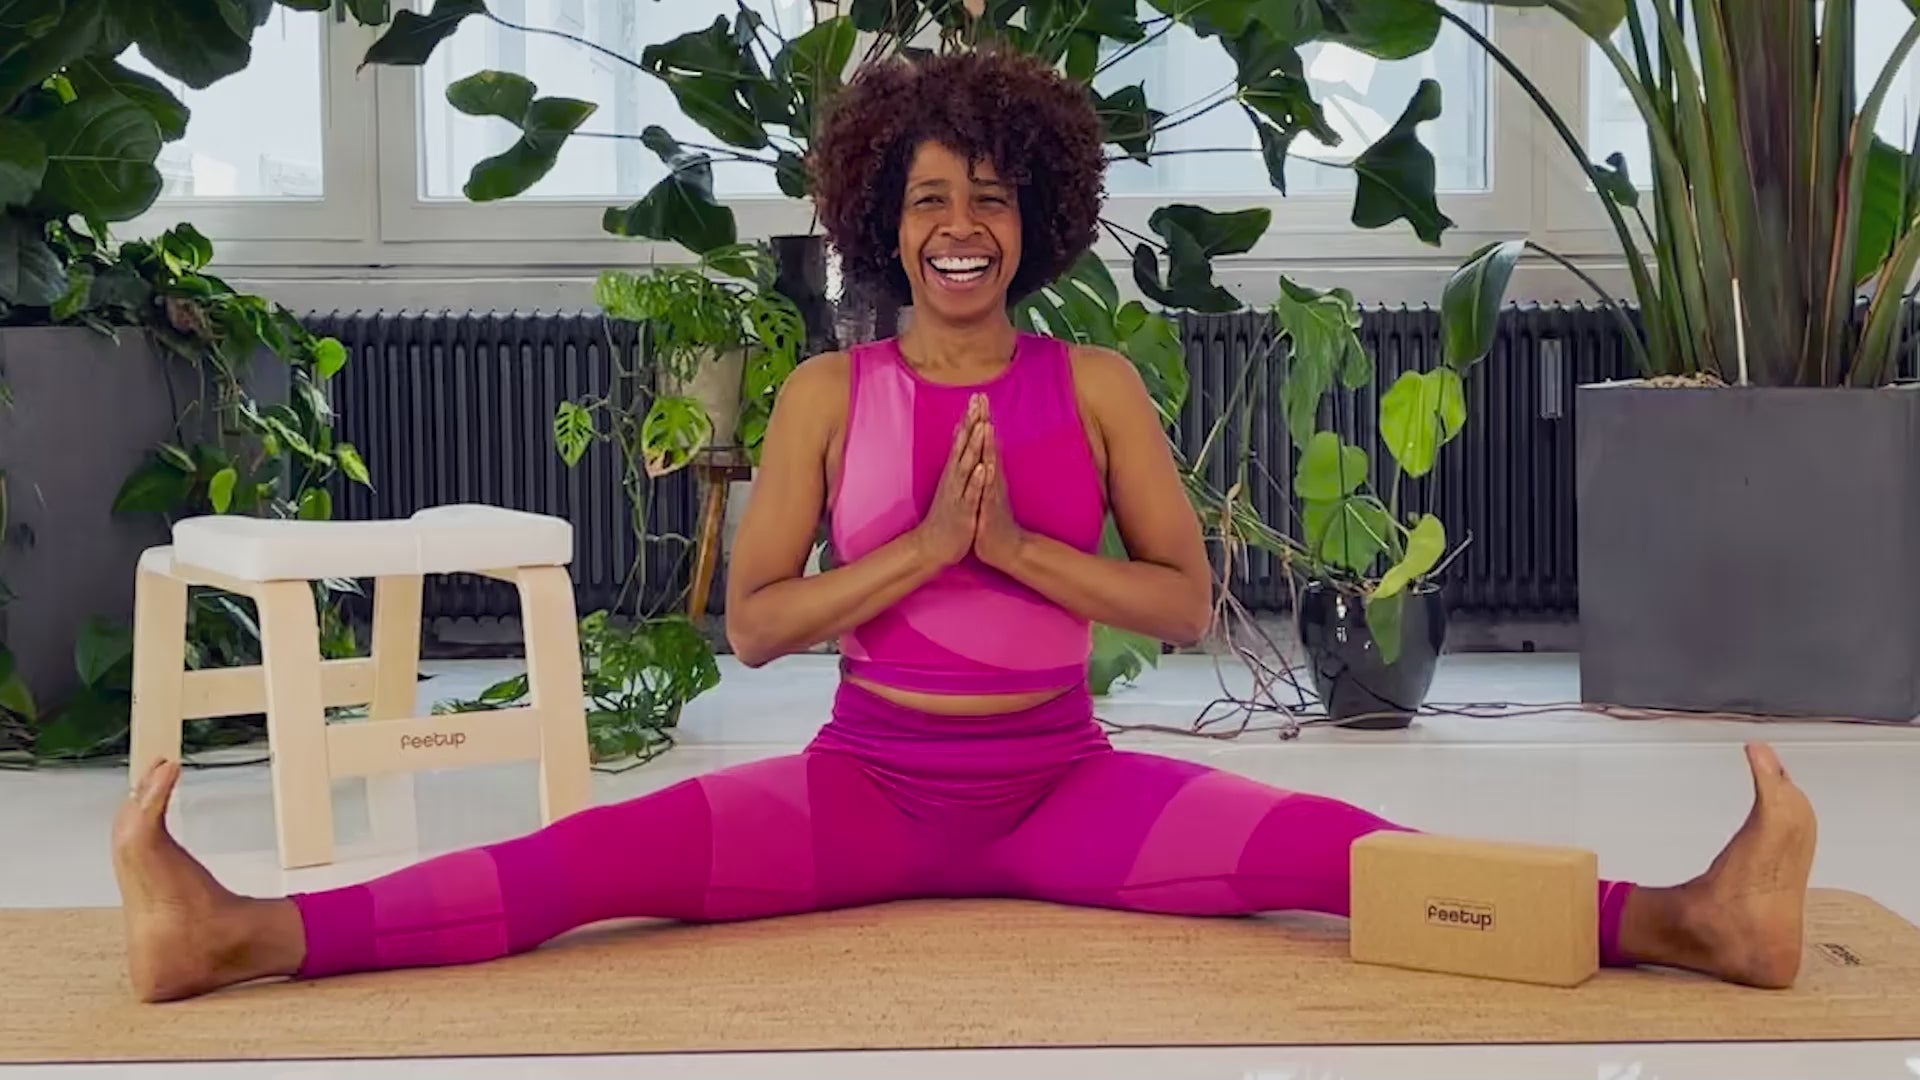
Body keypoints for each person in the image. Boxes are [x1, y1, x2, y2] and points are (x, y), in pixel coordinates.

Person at [111, 49, 1817, 1003]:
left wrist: (1012, 555)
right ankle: (242, 932)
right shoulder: (823, 397)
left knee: (1332, 857)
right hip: (859, 788)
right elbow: (754, 627)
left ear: (1034, 217)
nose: (960, 226)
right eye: (929, 199)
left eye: (990, 197)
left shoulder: (1097, 388)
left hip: (1069, 790)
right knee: (587, 870)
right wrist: (926, 553)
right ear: (882, 220)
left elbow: (1182, 603)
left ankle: (1689, 920)